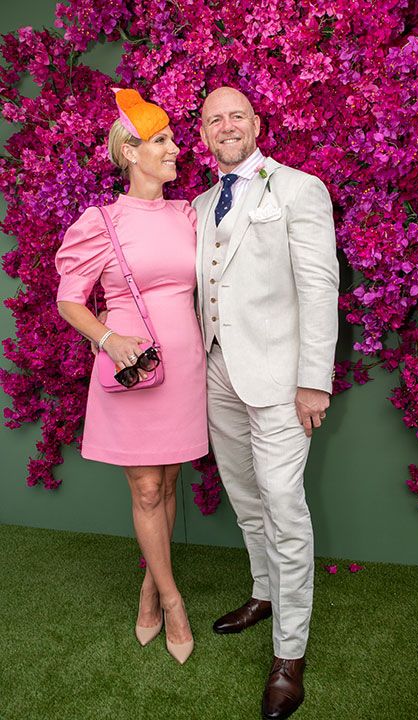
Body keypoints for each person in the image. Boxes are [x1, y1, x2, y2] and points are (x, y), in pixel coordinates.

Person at [193, 86, 339, 719]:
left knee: (283, 504)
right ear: (202, 135)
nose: (226, 125)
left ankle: (290, 653)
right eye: (212, 119)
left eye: (236, 115)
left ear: (256, 123)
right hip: (217, 369)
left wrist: (315, 378)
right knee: (245, 496)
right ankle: (263, 593)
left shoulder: (300, 189)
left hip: (281, 379)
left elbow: (319, 285)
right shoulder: (196, 204)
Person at [55, 88, 208, 665]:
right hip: (131, 368)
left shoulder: (189, 213)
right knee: (146, 488)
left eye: (171, 139)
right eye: (162, 140)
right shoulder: (101, 222)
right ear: (130, 151)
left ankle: (148, 583)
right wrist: (108, 338)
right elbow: (71, 300)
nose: (175, 149)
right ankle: (171, 600)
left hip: (184, 366)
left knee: (167, 486)